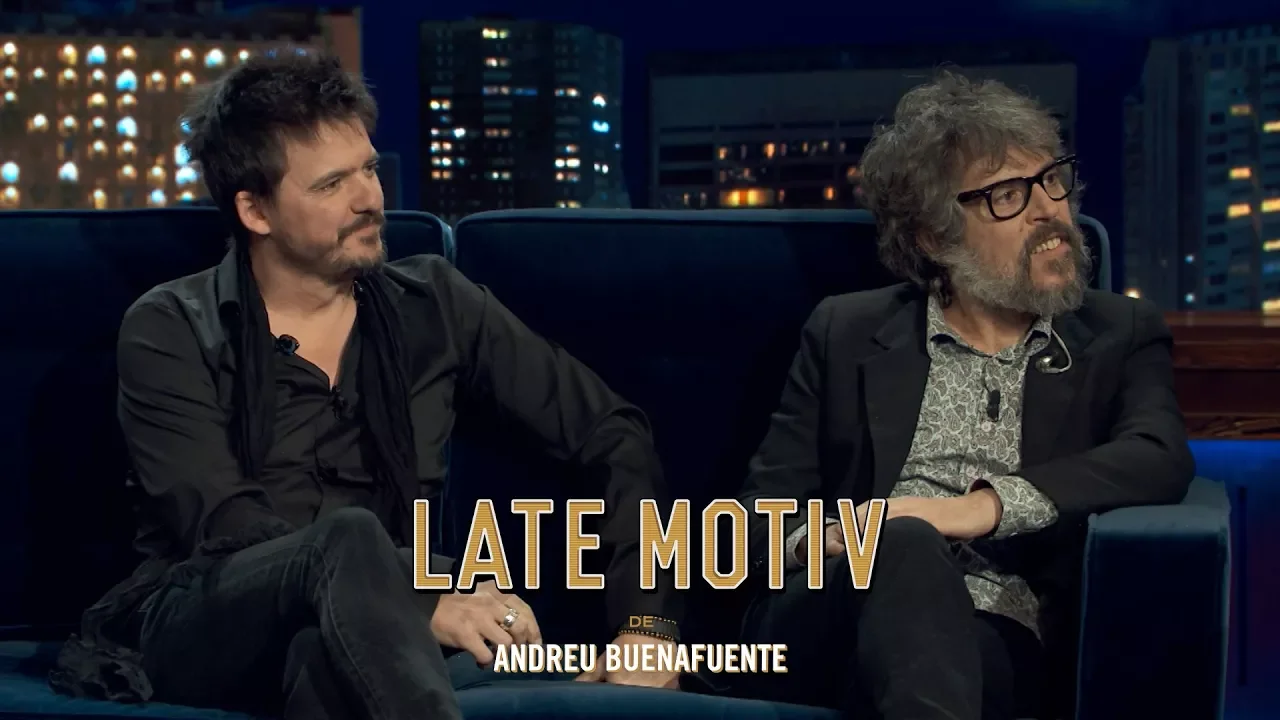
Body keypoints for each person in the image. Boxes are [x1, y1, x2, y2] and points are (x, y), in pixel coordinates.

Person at [48, 51, 681, 719]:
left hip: (364, 641)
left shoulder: (435, 307)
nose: (369, 199)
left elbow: (612, 433)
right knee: (348, 539)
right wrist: (416, 595)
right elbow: (221, 524)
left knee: (322, 657)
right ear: (255, 210)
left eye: (369, 170)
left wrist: (647, 627)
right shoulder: (171, 327)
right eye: (331, 184)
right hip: (207, 618)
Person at [734, 71, 1194, 720]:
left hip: (997, 638)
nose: (1049, 210)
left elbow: (1158, 454)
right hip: (834, 614)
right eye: (1008, 195)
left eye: (1052, 179)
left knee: (919, 589)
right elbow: (760, 514)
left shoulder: (1120, 332)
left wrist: (978, 508)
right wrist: (827, 541)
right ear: (935, 237)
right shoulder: (847, 330)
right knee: (903, 544)